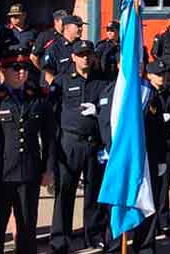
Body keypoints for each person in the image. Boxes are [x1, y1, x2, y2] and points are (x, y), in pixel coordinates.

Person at [96, 59, 167, 254]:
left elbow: (159, 129)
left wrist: (160, 159)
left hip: (145, 158)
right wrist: (113, 150)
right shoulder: (111, 92)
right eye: (130, 62)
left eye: (140, 63)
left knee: (145, 202)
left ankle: (144, 248)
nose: (136, 66)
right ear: (120, 65)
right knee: (116, 204)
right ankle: (114, 247)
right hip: (118, 159)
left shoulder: (149, 93)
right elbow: (104, 125)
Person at [49, 40, 109, 253]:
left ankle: (94, 235)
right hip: (70, 143)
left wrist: (98, 111)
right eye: (80, 54)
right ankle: (60, 239)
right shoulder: (62, 81)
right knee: (65, 192)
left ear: (92, 57)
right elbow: (52, 114)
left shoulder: (102, 82)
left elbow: (110, 112)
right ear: (73, 57)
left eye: (87, 54)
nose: (85, 57)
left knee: (94, 193)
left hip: (94, 144)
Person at [0, 51, 54, 254]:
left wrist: (48, 169)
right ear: (3, 70)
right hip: (1, 173)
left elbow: (49, 137)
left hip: (29, 172)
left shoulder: (38, 98)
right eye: (16, 69)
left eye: (24, 69)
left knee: (27, 225)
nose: (21, 73)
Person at [147, 58, 170, 238]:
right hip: (150, 145)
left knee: (164, 186)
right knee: (151, 186)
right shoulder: (145, 93)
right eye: (158, 75)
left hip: (165, 143)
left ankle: (163, 222)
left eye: (163, 74)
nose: (162, 78)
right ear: (149, 75)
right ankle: (150, 223)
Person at [42, 14, 85, 84]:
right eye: (78, 26)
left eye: (81, 26)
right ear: (67, 27)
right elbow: (48, 74)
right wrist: (57, 89)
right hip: (63, 90)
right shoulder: (54, 47)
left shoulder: (83, 46)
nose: (81, 29)